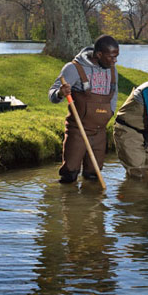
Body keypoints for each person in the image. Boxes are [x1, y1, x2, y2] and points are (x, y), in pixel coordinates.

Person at [49, 35, 120, 184]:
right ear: (99, 54)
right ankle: (69, 204)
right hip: (78, 131)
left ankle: (92, 205)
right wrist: (61, 93)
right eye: (111, 57)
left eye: (116, 56)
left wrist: (110, 112)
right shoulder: (73, 68)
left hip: (100, 132)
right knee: (69, 175)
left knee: (93, 176)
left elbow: (114, 94)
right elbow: (52, 95)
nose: (115, 61)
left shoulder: (112, 70)